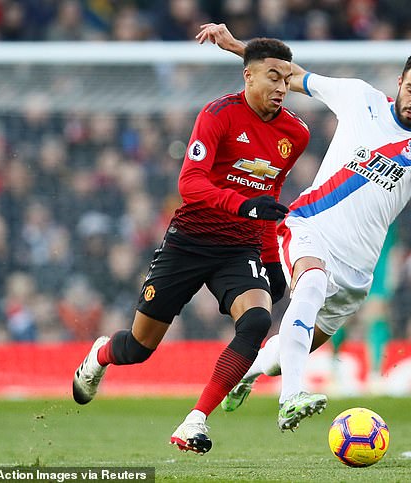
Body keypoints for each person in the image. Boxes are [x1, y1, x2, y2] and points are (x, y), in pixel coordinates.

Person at [197, 23, 411, 432]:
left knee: (297, 345)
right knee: (308, 286)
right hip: (309, 227)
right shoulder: (360, 97)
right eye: (410, 89)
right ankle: (291, 398)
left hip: (359, 271)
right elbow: (291, 74)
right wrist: (238, 46)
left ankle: (251, 372)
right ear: (400, 82)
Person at [71, 37, 310, 455]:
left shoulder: (296, 132)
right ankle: (101, 355)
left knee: (255, 323)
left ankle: (194, 420)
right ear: (247, 75)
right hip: (189, 243)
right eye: (273, 77)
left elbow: (268, 199)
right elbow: (190, 183)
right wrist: (243, 205)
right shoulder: (218, 114)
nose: (281, 87)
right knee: (138, 348)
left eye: (287, 79)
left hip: (239, 249)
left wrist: (271, 260)